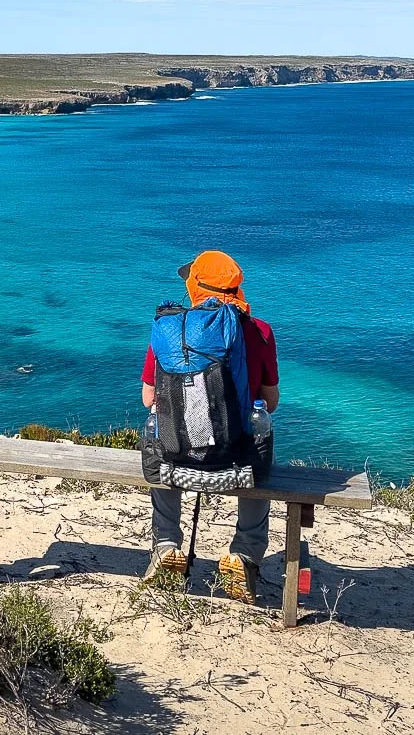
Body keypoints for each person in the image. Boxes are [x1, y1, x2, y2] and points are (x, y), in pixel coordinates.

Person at [140, 250, 279, 603]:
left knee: (161, 431)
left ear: (195, 287)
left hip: (177, 459)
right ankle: (244, 555)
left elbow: (148, 398)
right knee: (259, 430)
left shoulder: (172, 330)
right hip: (238, 462)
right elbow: (271, 400)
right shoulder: (260, 331)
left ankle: (166, 544)